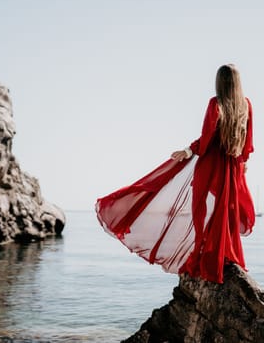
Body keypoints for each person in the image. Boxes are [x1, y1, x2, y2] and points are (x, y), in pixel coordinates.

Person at [95, 64, 255, 283]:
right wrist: (243, 163)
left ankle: (206, 255)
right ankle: (226, 255)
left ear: (220, 81)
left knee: (200, 210)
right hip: (232, 166)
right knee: (225, 212)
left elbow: (207, 138)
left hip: (211, 164)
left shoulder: (215, 104)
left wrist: (189, 150)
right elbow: (248, 143)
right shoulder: (246, 105)